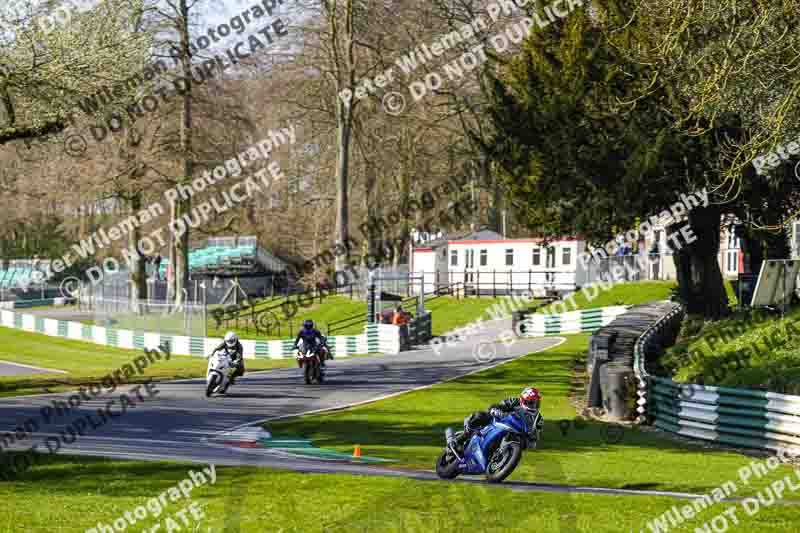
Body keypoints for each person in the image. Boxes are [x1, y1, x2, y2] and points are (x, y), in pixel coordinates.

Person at [454, 387, 543, 447]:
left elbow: (535, 437)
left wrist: (531, 440)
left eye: (536, 403)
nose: (534, 406)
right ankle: (463, 437)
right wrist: (496, 410)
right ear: (523, 401)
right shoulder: (514, 401)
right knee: (480, 416)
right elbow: (496, 406)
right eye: (531, 403)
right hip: (499, 422)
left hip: (516, 435)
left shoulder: (538, 419)